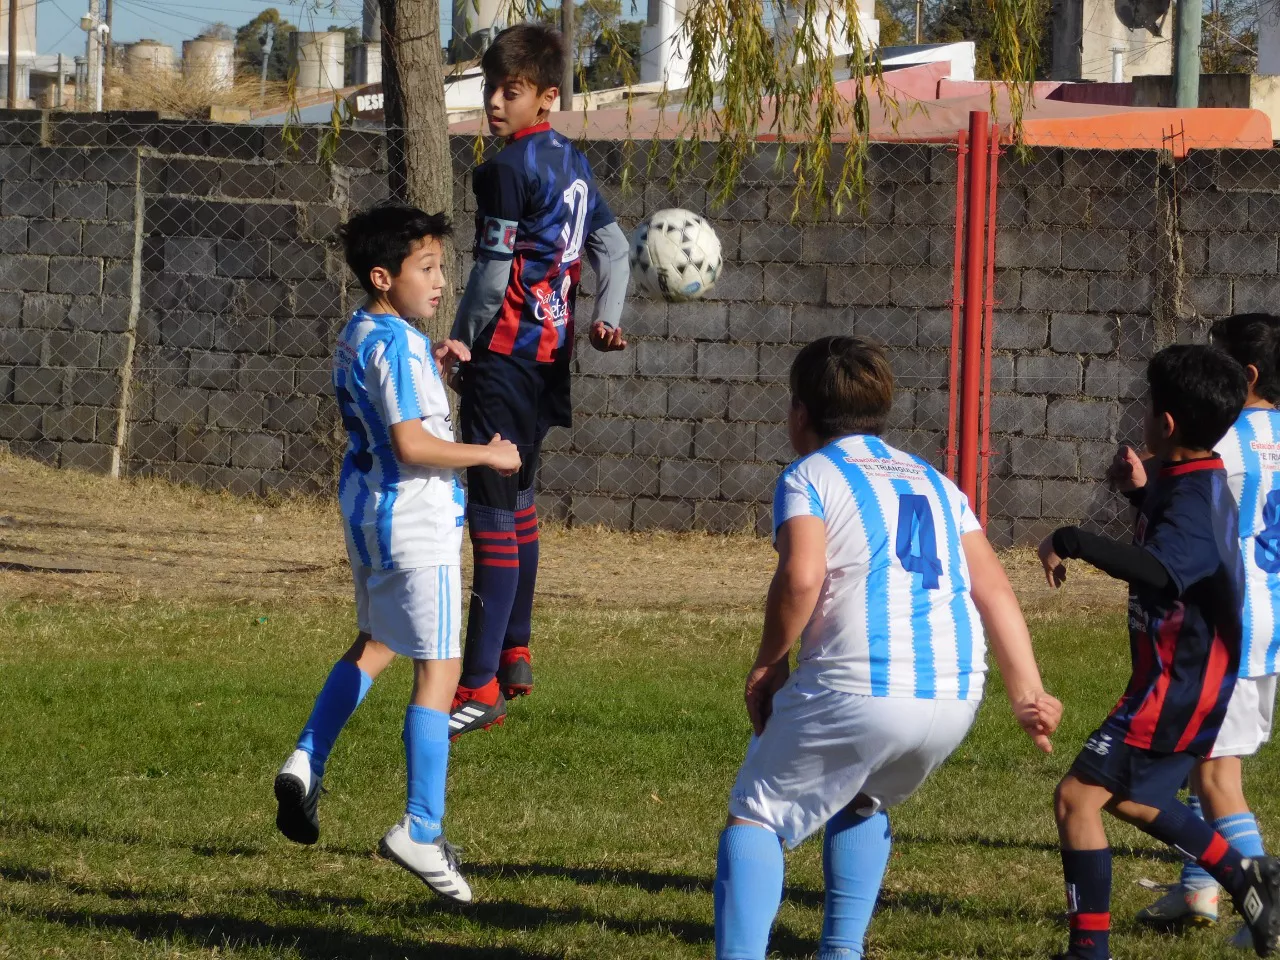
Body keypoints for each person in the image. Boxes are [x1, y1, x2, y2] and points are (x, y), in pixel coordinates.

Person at [713, 335, 1063, 960]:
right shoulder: (937, 482)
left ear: (800, 413)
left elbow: (801, 576)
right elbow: (995, 590)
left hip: (861, 687)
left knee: (758, 814)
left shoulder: (809, 475)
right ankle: (842, 951)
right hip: (954, 694)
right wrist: (1028, 693)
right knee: (861, 795)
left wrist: (768, 662)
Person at [272, 204, 521, 903]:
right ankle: (421, 827)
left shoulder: (361, 331)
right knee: (439, 671)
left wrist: (431, 368)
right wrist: (489, 455)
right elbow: (413, 443)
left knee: (376, 642)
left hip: (369, 515)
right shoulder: (402, 347)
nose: (441, 281)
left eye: (441, 267)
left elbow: (387, 411)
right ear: (384, 277)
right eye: (427, 268)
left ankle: (305, 759)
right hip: (417, 522)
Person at [1040, 343, 1280, 959]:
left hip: (1176, 687)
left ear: (1165, 423)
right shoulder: (1191, 477)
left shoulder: (1196, 498)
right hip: (1178, 680)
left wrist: (1073, 539)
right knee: (1134, 798)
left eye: (1147, 407)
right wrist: (1138, 495)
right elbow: (1177, 543)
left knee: (1076, 800)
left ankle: (1089, 950)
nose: (1143, 416)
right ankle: (1245, 875)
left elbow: (1164, 570)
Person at [447, 21, 631, 738]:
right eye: (491, 88)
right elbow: (614, 247)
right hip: (550, 359)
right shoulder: (572, 161)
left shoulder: (506, 169)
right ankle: (516, 651)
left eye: (512, 91)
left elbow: (494, 274)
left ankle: (477, 685)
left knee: (492, 515)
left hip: (503, 360)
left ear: (547, 97)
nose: (495, 102)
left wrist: (461, 343)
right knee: (520, 502)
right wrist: (606, 319)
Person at [1123, 315, 1280, 948]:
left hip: (1227, 623)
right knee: (1200, 753)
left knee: (1217, 776)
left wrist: (1139, 485)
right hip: (1269, 622)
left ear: (1247, 375)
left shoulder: (1227, 442)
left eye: (1218, 360)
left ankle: (1266, 907)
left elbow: (1185, 511)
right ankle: (1197, 887)